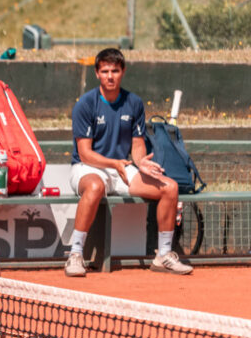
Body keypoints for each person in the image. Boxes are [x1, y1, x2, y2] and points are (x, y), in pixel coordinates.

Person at [65, 48, 192, 277]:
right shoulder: (85, 104)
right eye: (105, 71)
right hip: (88, 168)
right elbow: (84, 153)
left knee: (170, 188)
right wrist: (115, 164)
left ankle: (163, 255)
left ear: (123, 71)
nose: (110, 76)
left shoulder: (133, 103)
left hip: (123, 168)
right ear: (97, 73)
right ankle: (75, 254)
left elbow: (137, 144)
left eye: (115, 70)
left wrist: (141, 162)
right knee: (95, 187)